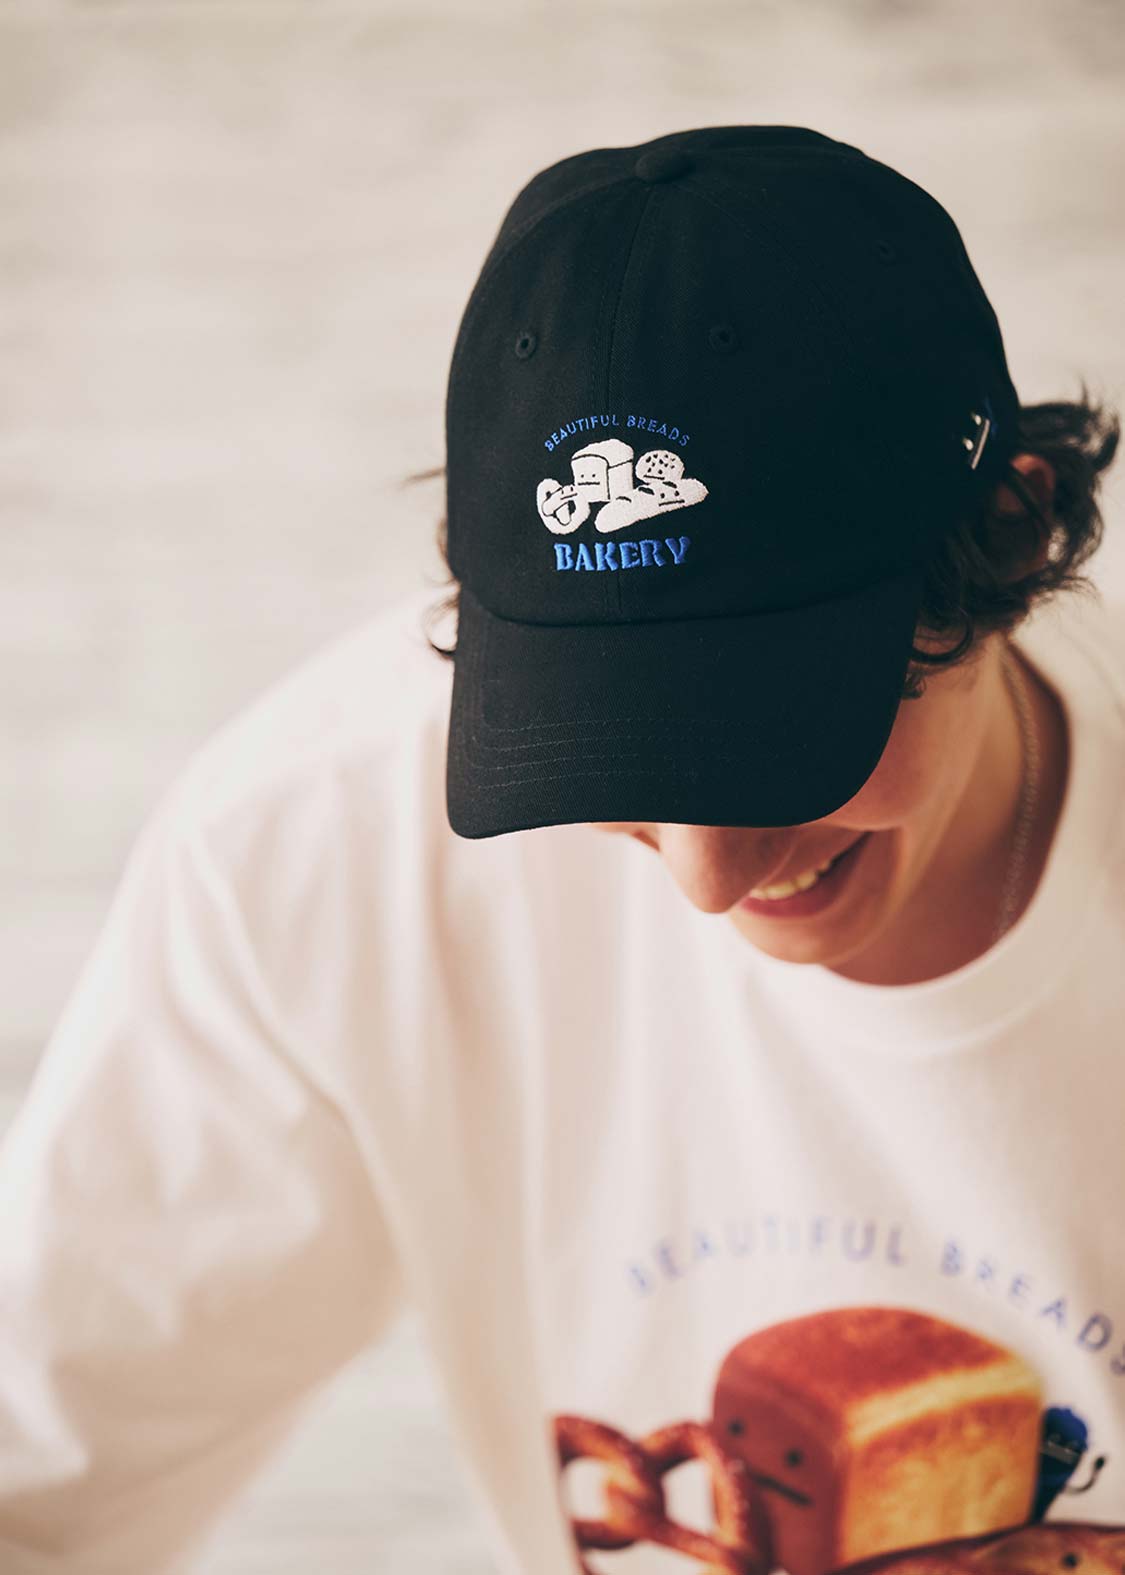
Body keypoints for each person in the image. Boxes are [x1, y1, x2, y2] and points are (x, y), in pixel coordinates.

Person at [0, 125, 1122, 1575]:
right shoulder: (319, 847)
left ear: (1012, 523)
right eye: (613, 747)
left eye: (788, 738)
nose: (709, 883)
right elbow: (38, 1475)